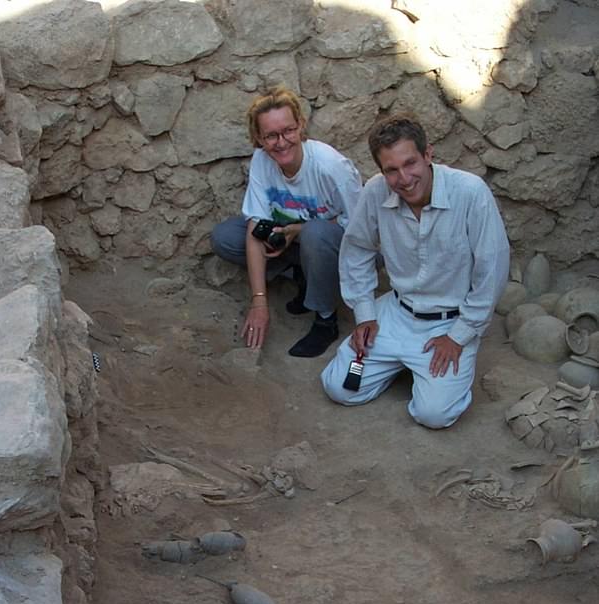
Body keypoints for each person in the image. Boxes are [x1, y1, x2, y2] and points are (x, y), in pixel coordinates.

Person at [321, 115, 510, 428]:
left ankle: (424, 371)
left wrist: (459, 336)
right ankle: (403, 364)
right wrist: (365, 312)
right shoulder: (375, 191)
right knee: (339, 387)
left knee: (433, 414)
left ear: (428, 154)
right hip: (396, 313)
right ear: (381, 171)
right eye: (391, 170)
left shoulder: (470, 193)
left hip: (449, 322)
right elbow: (357, 249)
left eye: (410, 163)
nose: (404, 178)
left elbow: (492, 271)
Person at [210, 86, 362, 358]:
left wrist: (302, 231)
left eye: (288, 131)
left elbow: (362, 230)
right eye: (271, 136)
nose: (281, 142)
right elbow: (256, 228)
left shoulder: (330, 166)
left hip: (347, 247)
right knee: (227, 236)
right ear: (259, 138)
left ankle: (325, 318)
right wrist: (259, 302)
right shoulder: (262, 160)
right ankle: (302, 275)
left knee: (315, 233)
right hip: (297, 241)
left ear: (301, 126)